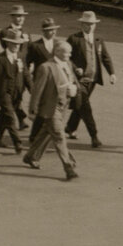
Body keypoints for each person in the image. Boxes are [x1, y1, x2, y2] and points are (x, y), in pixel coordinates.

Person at [23, 41, 80, 180]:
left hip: (62, 107)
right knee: (59, 136)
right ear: (58, 52)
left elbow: (73, 82)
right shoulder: (46, 67)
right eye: (67, 52)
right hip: (50, 107)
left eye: (70, 52)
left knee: (47, 133)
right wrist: (32, 110)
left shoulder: (68, 64)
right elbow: (37, 90)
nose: (70, 54)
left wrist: (74, 90)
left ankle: (31, 156)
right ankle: (69, 167)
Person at [65, 11, 114, 147]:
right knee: (86, 107)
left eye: (92, 24)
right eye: (87, 24)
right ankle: (94, 136)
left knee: (80, 105)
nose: (90, 27)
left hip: (92, 79)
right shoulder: (74, 39)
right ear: (82, 24)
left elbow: (105, 57)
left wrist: (112, 73)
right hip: (78, 80)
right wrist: (75, 68)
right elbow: (66, 57)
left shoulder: (98, 39)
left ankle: (70, 128)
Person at [0, 32, 30, 153]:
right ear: (7, 43)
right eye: (13, 43)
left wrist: (33, 90)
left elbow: (26, 75)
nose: (16, 46)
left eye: (18, 44)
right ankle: (17, 143)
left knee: (5, 117)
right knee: (10, 117)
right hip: (3, 93)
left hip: (17, 94)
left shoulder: (21, 57)